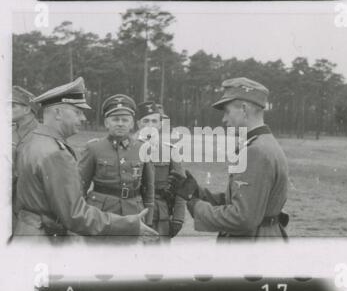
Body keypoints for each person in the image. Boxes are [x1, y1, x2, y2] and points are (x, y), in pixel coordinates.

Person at [14, 78, 158, 243]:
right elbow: (75, 215)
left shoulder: (31, 141)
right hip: (44, 240)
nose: (83, 118)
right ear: (58, 113)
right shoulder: (56, 153)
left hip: (28, 233)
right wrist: (129, 225)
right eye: (77, 112)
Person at [168, 77, 289, 242]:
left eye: (227, 111)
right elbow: (243, 199)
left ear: (244, 109)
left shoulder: (255, 151)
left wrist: (194, 203)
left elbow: (242, 218)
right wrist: (198, 192)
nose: (224, 119)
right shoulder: (265, 143)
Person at [78, 94, 155, 229]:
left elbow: (148, 188)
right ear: (107, 123)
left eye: (125, 120)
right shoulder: (94, 148)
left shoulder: (142, 148)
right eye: (115, 119)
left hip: (133, 211)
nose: (120, 123)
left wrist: (148, 219)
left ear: (132, 124)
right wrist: (81, 216)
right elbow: (80, 186)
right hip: (101, 212)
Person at [136, 101, 186, 242]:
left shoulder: (170, 150)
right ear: (138, 124)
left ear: (159, 124)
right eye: (146, 121)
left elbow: (181, 187)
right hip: (133, 211)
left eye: (154, 121)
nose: (150, 125)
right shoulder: (128, 149)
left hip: (160, 215)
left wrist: (178, 218)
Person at [11, 86, 40, 232]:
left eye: (12, 105)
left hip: (32, 213)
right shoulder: (7, 131)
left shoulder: (43, 136)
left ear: (27, 109)